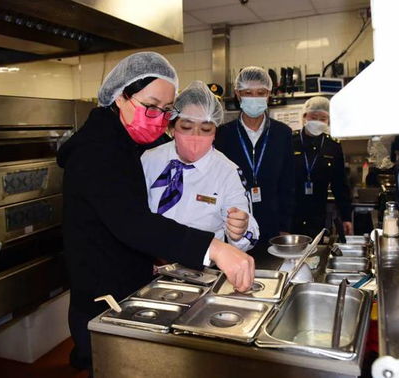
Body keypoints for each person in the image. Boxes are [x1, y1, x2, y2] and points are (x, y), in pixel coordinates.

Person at [57, 52, 254, 371]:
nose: (158, 118)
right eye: (150, 106)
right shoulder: (98, 152)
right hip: (102, 296)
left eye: (165, 111)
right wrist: (212, 247)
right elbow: (132, 222)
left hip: (130, 285)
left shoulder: (125, 143)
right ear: (121, 96)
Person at [141, 81, 259, 251]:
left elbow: (250, 235)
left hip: (200, 270)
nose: (196, 136)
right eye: (187, 127)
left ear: (215, 132)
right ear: (172, 127)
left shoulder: (227, 172)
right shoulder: (149, 160)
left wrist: (240, 230)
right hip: (149, 264)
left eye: (205, 129)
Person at [215, 66, 295, 246]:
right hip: (234, 224)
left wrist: (285, 225)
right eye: (248, 93)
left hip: (272, 223)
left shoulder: (282, 133)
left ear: (269, 94)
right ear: (237, 94)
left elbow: (288, 184)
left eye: (261, 92)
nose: (254, 98)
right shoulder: (223, 135)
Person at [292, 96, 353, 237]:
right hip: (291, 215)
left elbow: (340, 185)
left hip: (317, 215)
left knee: (315, 255)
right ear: (304, 117)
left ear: (328, 121)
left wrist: (346, 217)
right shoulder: (289, 142)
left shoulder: (333, 146)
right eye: (314, 117)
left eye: (323, 118)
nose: (317, 122)